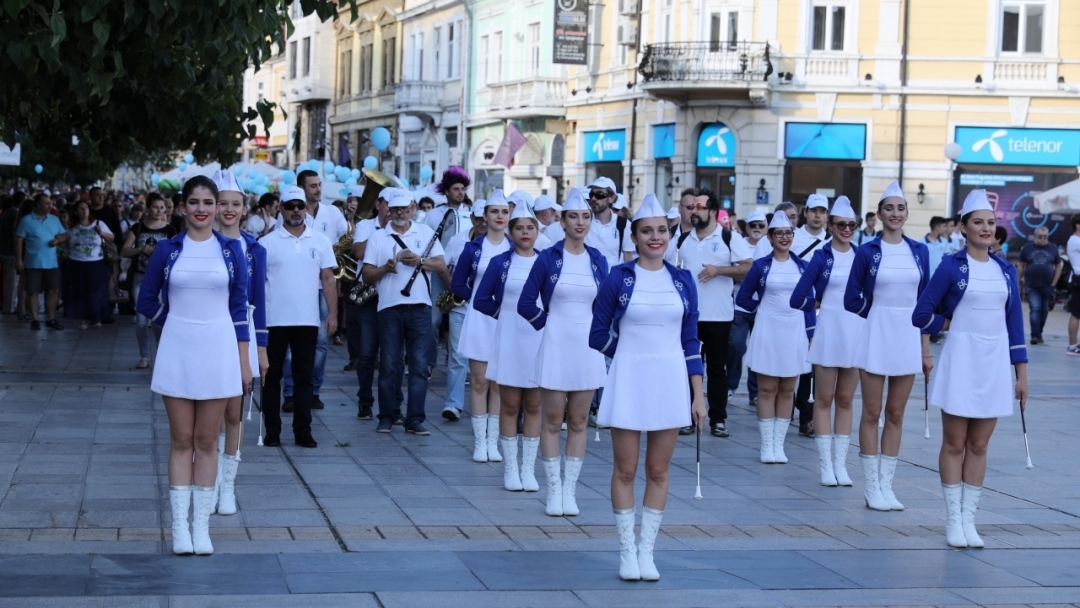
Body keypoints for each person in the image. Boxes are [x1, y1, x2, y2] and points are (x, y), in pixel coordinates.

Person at [590, 194, 705, 582]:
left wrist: (698, 393)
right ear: (635, 236)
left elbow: (691, 339)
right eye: (646, 231)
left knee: (658, 470)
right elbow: (596, 334)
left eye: (661, 231)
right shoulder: (618, 277)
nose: (655, 238)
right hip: (628, 379)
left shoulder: (683, 280)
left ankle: (647, 551)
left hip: (670, 379)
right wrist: (624, 355)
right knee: (626, 469)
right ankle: (626, 551)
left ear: (669, 234)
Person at [136, 175, 252, 556]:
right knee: (181, 440)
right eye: (194, 202)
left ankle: (201, 528)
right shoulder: (167, 249)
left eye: (208, 202)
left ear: (218, 207)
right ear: (182, 207)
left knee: (206, 440)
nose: (202, 209)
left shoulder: (232, 251)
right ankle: (179, 530)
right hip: (178, 350)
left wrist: (244, 362)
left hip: (219, 349)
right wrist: (174, 325)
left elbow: (239, 307)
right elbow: (146, 299)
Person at [911, 189, 1028, 548]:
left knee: (979, 444)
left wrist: (1021, 374)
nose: (986, 228)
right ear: (963, 227)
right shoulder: (950, 266)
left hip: (993, 363)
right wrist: (944, 323)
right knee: (955, 441)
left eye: (991, 222)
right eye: (978, 222)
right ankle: (952, 520)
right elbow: (921, 313)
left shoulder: (1006, 270)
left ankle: (969, 519)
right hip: (962, 357)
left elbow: (1015, 324)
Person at [518, 188, 608, 517]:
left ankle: (570, 491)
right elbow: (526, 303)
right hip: (556, 344)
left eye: (586, 216)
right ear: (562, 221)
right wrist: (550, 325)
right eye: (573, 217)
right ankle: (553, 490)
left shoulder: (598, 259)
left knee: (580, 420)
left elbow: (605, 305)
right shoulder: (548, 257)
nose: (580, 222)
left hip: (587, 346)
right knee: (553, 420)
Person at [844, 181, 931, 511]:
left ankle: (886, 484)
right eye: (889, 208)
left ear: (907, 213)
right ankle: (870, 487)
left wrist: (924, 345)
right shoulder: (866, 251)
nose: (895, 213)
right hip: (877, 334)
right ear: (879, 214)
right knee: (872, 411)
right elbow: (852, 297)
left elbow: (925, 299)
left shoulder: (920, 251)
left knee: (896, 413)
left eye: (901, 208)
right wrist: (879, 314)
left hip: (907, 334)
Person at [790, 196, 864, 486]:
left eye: (851, 225)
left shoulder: (863, 255)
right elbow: (798, 297)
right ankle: (824, 464)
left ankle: (841, 464)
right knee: (824, 398)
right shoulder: (822, 255)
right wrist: (818, 302)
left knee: (846, 399)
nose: (847, 229)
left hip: (856, 330)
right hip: (829, 329)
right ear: (831, 226)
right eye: (841, 224)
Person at [362, 190, 450, 435]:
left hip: (420, 306)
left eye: (404, 208)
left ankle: (415, 419)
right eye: (395, 209)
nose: (399, 213)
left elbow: (441, 265)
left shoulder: (424, 232)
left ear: (412, 208)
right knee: (389, 364)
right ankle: (387, 416)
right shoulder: (378, 237)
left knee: (419, 366)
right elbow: (367, 274)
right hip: (389, 307)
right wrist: (385, 268)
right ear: (388, 210)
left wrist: (419, 261)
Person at [259, 185, 338, 448]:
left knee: (304, 377)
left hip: (307, 319)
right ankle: (272, 430)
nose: (295, 211)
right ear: (280, 208)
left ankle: (303, 430)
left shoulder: (321, 241)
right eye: (290, 206)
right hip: (273, 321)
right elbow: (258, 284)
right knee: (272, 377)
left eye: (300, 206)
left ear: (306, 209)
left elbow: (328, 279)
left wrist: (333, 314)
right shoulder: (266, 243)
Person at [473, 203, 545, 491]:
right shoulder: (501, 262)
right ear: (511, 232)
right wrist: (503, 316)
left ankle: (529, 470)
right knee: (510, 404)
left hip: (539, 338)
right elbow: (481, 300)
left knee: (535, 404)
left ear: (537, 232)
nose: (525, 233)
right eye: (519, 228)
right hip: (510, 338)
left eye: (530, 228)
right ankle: (510, 469)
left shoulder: (547, 261)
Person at [210, 171, 268, 515]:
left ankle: (227, 485)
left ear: (244, 208)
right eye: (223, 203)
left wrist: (261, 349)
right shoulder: (199, 243)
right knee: (210, 412)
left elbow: (259, 302)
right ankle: (211, 476)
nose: (229, 210)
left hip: (241, 333)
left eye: (235, 204)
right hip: (208, 330)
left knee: (234, 411)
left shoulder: (254, 249)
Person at [736, 213, 814, 464]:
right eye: (778, 233)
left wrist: (811, 333)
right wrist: (763, 307)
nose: (784, 238)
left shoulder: (802, 266)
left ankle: (779, 444)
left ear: (793, 236)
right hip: (769, 329)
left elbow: (809, 303)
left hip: (794, 330)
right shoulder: (761, 265)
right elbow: (743, 298)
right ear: (769, 237)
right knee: (768, 389)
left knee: (788, 389)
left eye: (788, 233)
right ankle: (766, 444)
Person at [674, 191, 751, 438]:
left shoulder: (729, 237)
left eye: (699, 207)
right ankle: (687, 416)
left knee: (717, 369)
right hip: (688, 317)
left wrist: (719, 270)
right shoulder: (682, 239)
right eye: (691, 207)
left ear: (713, 211)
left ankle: (718, 419)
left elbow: (749, 269)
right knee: (688, 367)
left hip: (719, 315)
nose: (693, 211)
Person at [279, 170, 348, 412]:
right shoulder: (289, 212)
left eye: (319, 185)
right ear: (301, 188)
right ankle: (289, 392)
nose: (318, 189)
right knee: (289, 344)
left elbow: (348, 237)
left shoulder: (333, 212)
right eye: (313, 186)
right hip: (296, 286)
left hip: (323, 286)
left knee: (320, 342)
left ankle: (313, 391)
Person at [452, 190, 512, 461]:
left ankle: (493, 441)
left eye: (504, 212)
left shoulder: (516, 248)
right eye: (494, 212)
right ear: (484, 216)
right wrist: (476, 300)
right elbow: (457, 283)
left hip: (506, 321)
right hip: (479, 320)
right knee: (479, 381)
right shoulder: (473, 248)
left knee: (499, 383)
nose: (499, 216)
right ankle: (479, 442)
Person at [350, 187, 403, 420]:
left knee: (394, 354)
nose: (392, 210)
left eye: (396, 206)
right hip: (370, 294)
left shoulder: (406, 229)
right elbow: (359, 252)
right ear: (378, 205)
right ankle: (365, 401)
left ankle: (395, 403)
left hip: (394, 295)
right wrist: (383, 231)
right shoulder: (366, 226)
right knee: (368, 351)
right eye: (388, 205)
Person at [441, 200, 488, 421]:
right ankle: (453, 404)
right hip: (460, 306)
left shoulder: (502, 243)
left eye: (486, 219)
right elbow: (442, 263)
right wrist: (452, 284)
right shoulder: (457, 241)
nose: (483, 223)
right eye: (479, 219)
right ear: (472, 219)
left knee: (487, 358)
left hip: (488, 310)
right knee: (458, 357)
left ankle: (487, 404)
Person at [426, 167, 473, 376]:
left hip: (463, 275)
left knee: (461, 324)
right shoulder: (433, 215)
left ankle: (461, 368)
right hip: (438, 273)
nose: (460, 193)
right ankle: (428, 363)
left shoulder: (470, 215)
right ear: (446, 191)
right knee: (433, 319)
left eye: (462, 189)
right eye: (456, 189)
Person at [122, 193, 178, 368]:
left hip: (162, 281)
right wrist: (140, 249)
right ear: (147, 209)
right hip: (140, 278)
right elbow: (124, 250)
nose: (160, 211)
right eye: (156, 207)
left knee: (158, 319)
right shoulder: (138, 228)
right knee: (141, 319)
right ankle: (144, 356)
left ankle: (162, 354)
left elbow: (177, 253)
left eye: (162, 207)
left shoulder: (170, 230)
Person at [728, 210, 767, 407]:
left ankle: (755, 392)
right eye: (754, 225)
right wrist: (754, 278)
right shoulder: (739, 245)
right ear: (747, 228)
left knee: (758, 349)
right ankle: (731, 385)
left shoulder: (771, 246)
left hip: (762, 307)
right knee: (736, 345)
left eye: (761, 225)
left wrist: (747, 276)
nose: (757, 229)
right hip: (740, 306)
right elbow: (734, 273)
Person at [15, 193, 67, 331]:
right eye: (46, 203)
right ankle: (35, 319)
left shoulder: (55, 220)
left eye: (50, 202)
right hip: (33, 262)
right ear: (37, 205)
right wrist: (19, 259)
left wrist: (58, 241)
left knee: (54, 290)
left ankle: (51, 318)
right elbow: (19, 239)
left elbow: (64, 235)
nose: (50, 205)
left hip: (52, 262)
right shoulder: (26, 220)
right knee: (32, 291)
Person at [63, 200, 114, 330]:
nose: (84, 210)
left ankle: (97, 318)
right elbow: (66, 242)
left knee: (97, 292)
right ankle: (82, 319)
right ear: (76, 212)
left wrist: (101, 232)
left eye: (86, 208)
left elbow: (111, 238)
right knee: (79, 291)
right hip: (77, 262)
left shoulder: (98, 224)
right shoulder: (72, 228)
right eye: (81, 208)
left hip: (96, 263)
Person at [1018, 227, 1062, 345]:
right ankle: (1034, 335)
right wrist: (1017, 280)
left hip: (1048, 286)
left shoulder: (1053, 248)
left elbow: (1058, 266)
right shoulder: (1027, 248)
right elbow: (1021, 265)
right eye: (1040, 237)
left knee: (1044, 311)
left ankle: (1039, 332)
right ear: (1035, 236)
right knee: (1035, 309)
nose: (1042, 239)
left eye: (1045, 237)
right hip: (1031, 285)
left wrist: (1054, 284)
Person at [585, 177, 633, 268]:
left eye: (599, 195)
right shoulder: (584, 222)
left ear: (611, 198)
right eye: (591, 194)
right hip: (587, 280)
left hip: (612, 281)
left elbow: (628, 260)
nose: (593, 198)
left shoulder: (623, 224)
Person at [1065, 214, 1080, 355]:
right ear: (1077, 225)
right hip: (1079, 278)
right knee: (1076, 313)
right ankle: (1072, 345)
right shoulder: (1075, 240)